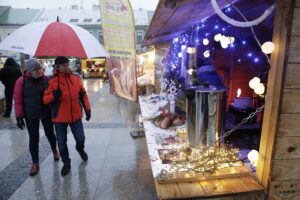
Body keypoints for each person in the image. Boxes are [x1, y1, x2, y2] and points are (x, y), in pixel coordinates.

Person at [43, 56, 91, 176]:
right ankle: (66, 163)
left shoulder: (75, 78)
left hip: (75, 116)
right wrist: (54, 95)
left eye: (67, 64)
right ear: (57, 66)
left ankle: (80, 149)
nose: (66, 66)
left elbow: (83, 94)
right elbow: (45, 100)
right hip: (59, 117)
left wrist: (87, 108)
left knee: (80, 138)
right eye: (64, 65)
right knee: (61, 142)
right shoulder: (51, 81)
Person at [13, 58, 60, 176]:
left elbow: (51, 96)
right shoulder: (21, 81)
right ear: (29, 71)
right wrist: (19, 116)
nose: (39, 72)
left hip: (46, 112)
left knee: (50, 133)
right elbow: (17, 100)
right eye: (36, 70)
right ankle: (35, 163)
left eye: (40, 69)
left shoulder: (46, 80)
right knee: (34, 138)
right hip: (30, 114)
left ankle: (54, 150)